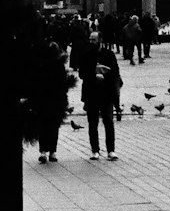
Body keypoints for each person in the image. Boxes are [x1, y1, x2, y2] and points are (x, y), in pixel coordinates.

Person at [78, 31, 122, 159]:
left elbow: (115, 72)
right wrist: (94, 75)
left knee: (108, 121)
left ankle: (111, 150)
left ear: (100, 40)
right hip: (91, 93)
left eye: (94, 40)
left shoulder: (108, 54)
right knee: (93, 123)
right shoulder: (86, 55)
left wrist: (105, 75)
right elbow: (82, 74)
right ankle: (95, 150)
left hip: (106, 93)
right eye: (90, 39)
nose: (91, 42)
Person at [31, 36, 71, 162]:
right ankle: (52, 152)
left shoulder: (41, 65)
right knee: (54, 127)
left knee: (43, 126)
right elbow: (64, 84)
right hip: (56, 99)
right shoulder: (59, 66)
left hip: (44, 99)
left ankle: (43, 151)